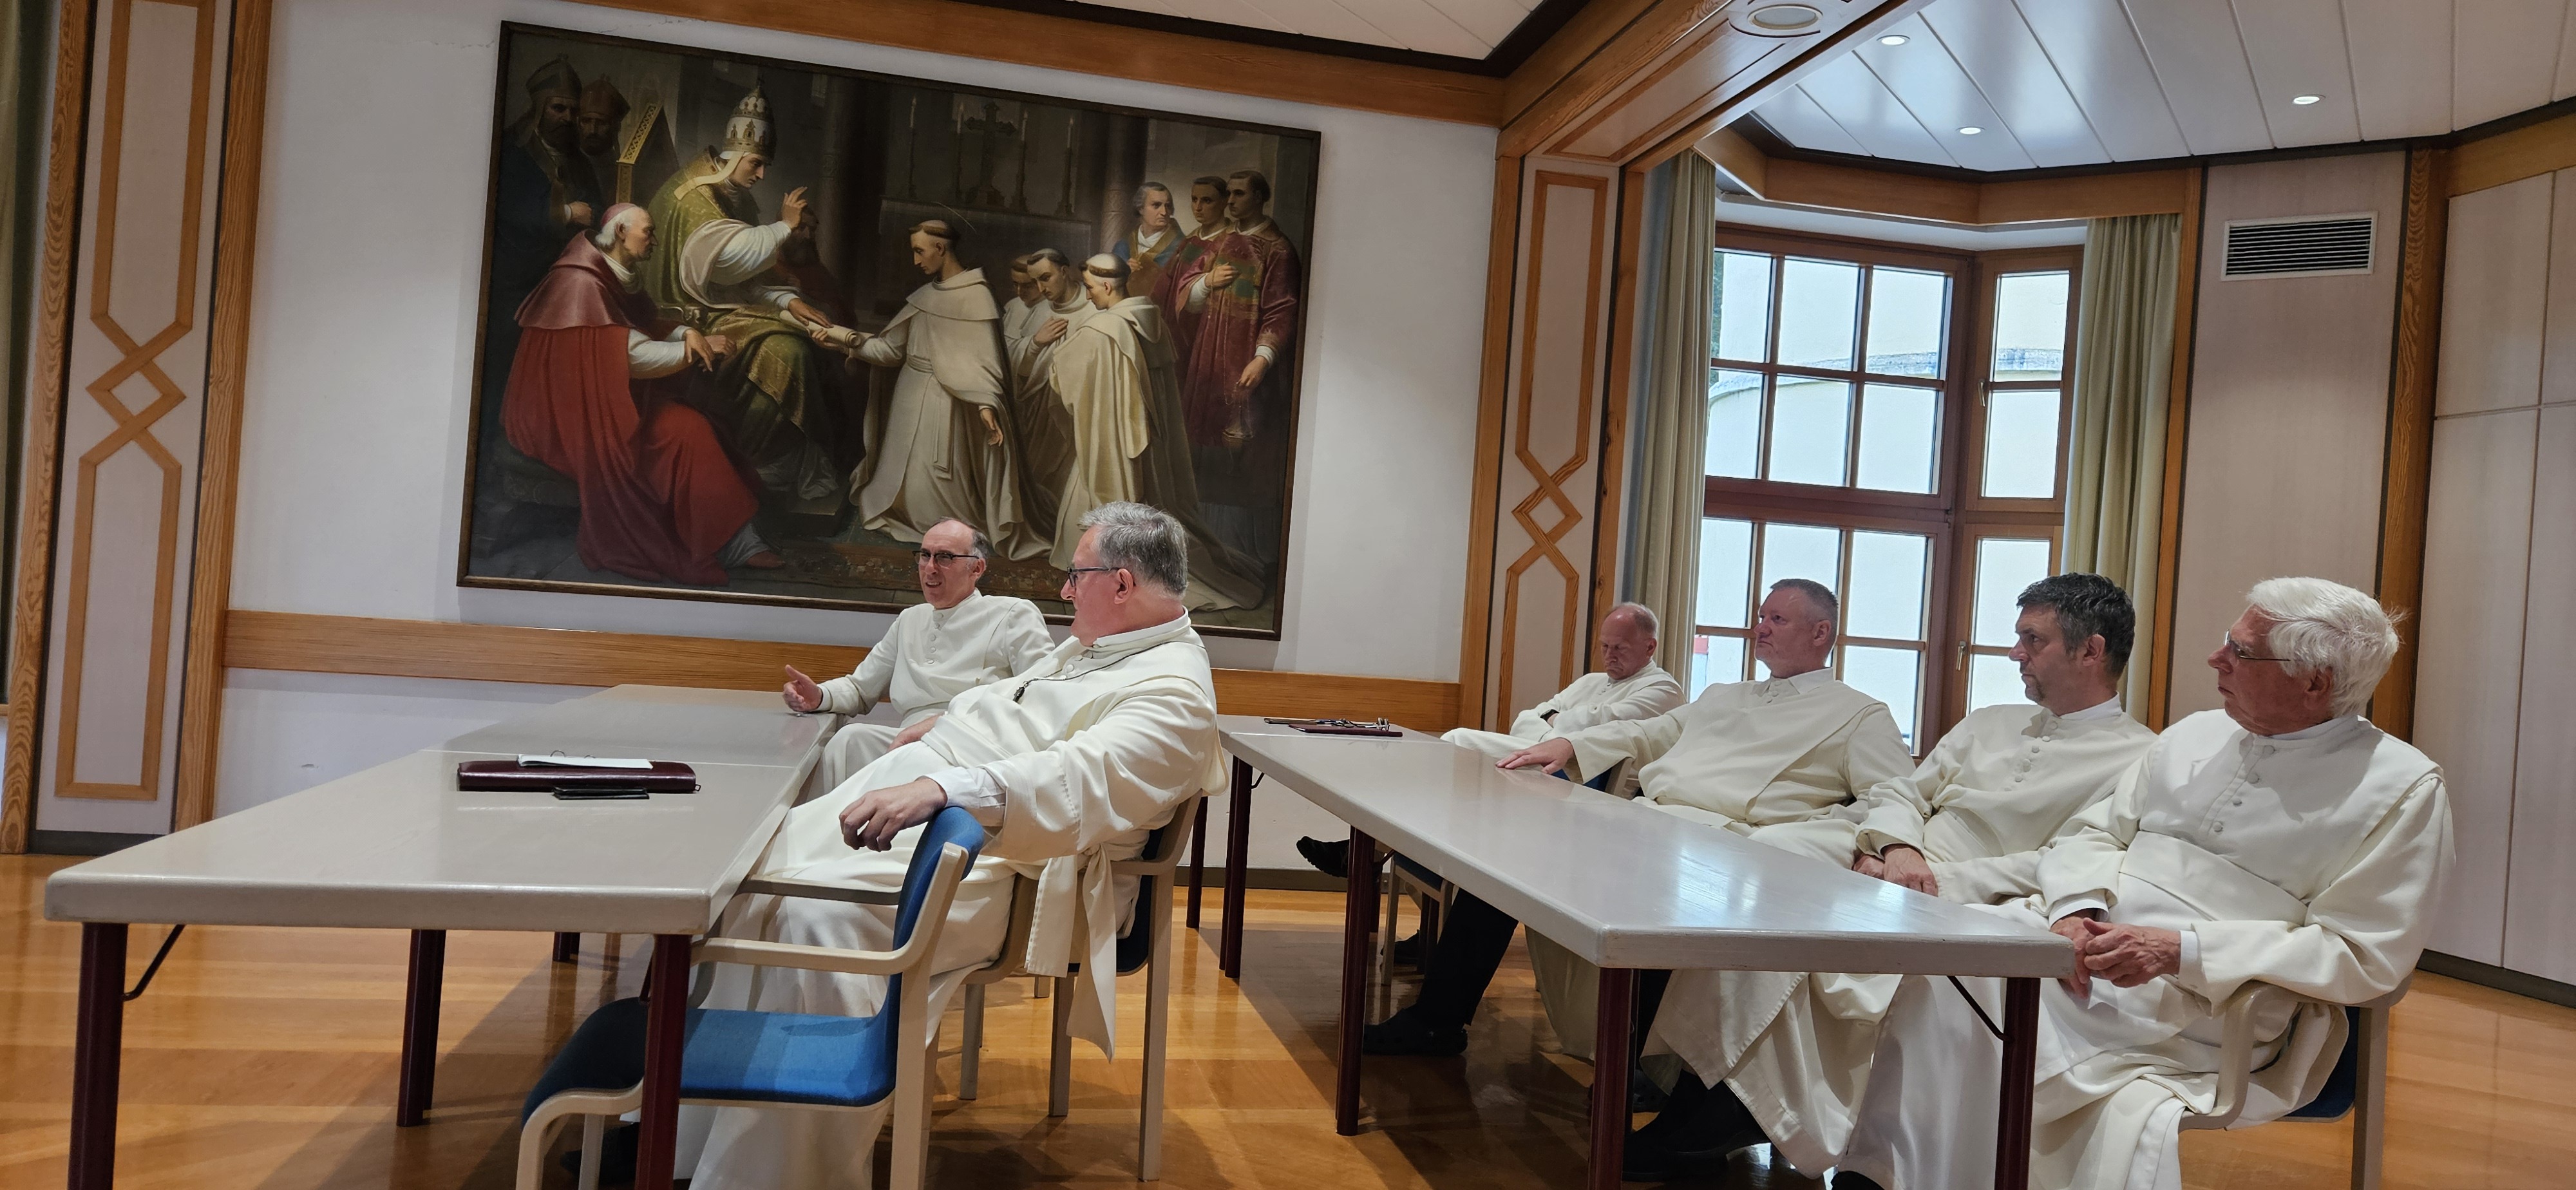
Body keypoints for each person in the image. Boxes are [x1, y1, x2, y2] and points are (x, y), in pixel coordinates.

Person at [1828, 577, 2452, 1190]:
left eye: (2240, 651)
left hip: (2208, 1001)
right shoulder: (2195, 734)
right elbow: (2091, 838)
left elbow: (2364, 954)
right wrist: (2074, 911)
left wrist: (2176, 949)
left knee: (1988, 1007)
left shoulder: (2401, 787)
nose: (2216, 659)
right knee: (1940, 970)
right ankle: (1885, 1174)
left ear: (2314, 681)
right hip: (2079, 941)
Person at [679, 503, 1224, 1189]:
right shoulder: (1109, 643)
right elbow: (1025, 695)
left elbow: (1078, 780)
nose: (1062, 590)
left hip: (1013, 863)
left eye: (1074, 575)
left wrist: (942, 785)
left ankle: (778, 1173)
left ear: (1120, 584)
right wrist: (949, 718)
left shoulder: (1174, 690)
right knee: (741, 877)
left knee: (815, 915)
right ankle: (683, 1137)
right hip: (951, 817)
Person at [1627, 573, 2157, 1182]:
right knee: (1762, 874)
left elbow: (2069, 856)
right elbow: (1904, 790)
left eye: (2031, 641)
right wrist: (1896, 846)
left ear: (2090, 650)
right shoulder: (1992, 720)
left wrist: (1933, 876)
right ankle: (1708, 1094)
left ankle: (1729, 1110)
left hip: (1968, 891)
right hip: (1893, 859)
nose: (2015, 653)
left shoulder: (2136, 756)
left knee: (1802, 930)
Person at [1364, 580, 1913, 1057]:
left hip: (1729, 849)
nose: (1761, 629)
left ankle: (1644, 1061)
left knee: (1661, 901)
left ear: (1821, 633)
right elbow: (1650, 734)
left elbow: (1891, 789)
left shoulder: (1859, 712)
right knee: (1507, 862)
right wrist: (1569, 745)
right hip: (1651, 823)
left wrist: (1890, 845)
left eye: (1777, 619)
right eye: (1760, 617)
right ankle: (1436, 1022)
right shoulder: (1727, 695)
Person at [1293, 600, 1683, 875]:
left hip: (1584, 790)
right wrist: (1556, 723)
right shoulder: (1592, 681)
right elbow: (1525, 721)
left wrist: (1554, 722)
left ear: (1649, 647)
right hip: (1542, 763)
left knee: (1459, 740)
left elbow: (1599, 732)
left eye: (1620, 648)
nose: (1609, 655)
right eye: (1604, 646)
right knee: (1443, 779)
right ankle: (1374, 856)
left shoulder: (1662, 689)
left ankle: (1364, 850)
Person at [500, 203, 781, 584]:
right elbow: (627, 357)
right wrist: (692, 349)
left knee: (699, 424)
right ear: (620, 233)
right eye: (648, 231)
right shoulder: (579, 282)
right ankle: (726, 544)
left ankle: (733, 541)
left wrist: (686, 333)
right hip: (559, 411)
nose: (654, 240)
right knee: (689, 431)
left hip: (602, 395)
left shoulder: (612, 273)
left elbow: (641, 327)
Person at [641, 83, 855, 513]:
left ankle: (796, 459)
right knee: (788, 350)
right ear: (735, 155)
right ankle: (767, 460)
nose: (760, 175)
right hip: (685, 321)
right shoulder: (695, 195)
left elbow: (743, 282)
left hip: (720, 309)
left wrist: (784, 302)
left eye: (764, 166)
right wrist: (785, 226)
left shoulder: (733, 197)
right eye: (756, 164)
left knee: (819, 323)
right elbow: (731, 262)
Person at [1043, 254, 1267, 608]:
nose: (1087, 297)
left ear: (1106, 286)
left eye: (1089, 288)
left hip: (1115, 440)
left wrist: (1058, 356)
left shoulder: (1105, 329)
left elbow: (1065, 379)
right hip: (1151, 441)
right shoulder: (1149, 318)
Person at [782, 518, 1052, 791]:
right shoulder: (909, 620)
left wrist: (945, 723)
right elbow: (859, 688)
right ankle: (829, 832)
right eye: (925, 556)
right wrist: (819, 696)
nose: (930, 568)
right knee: (848, 742)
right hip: (906, 740)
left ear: (977, 568)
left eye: (945, 557)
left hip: (971, 744)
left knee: (898, 756)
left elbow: (1041, 692)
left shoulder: (1013, 613)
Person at [838, 220, 1046, 558]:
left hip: (944, 403)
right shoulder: (925, 297)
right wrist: (839, 337)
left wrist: (986, 405)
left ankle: (947, 532)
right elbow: (890, 352)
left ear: (941, 249)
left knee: (937, 489)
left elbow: (986, 364)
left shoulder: (976, 296)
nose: (916, 260)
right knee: (899, 485)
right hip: (909, 392)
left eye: (920, 251)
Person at [1008, 249, 1091, 532]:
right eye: (1037, 282)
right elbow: (1016, 360)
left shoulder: (1092, 308)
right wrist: (1035, 344)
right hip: (1038, 409)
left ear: (1065, 272)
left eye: (1046, 278)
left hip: (1076, 411)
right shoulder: (1041, 310)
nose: (1042, 289)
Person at [1112, 182, 1184, 301]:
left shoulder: (1183, 247)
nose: (1164, 212)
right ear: (1141, 209)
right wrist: (1124, 273)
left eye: (1168, 206)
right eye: (1156, 206)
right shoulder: (1122, 247)